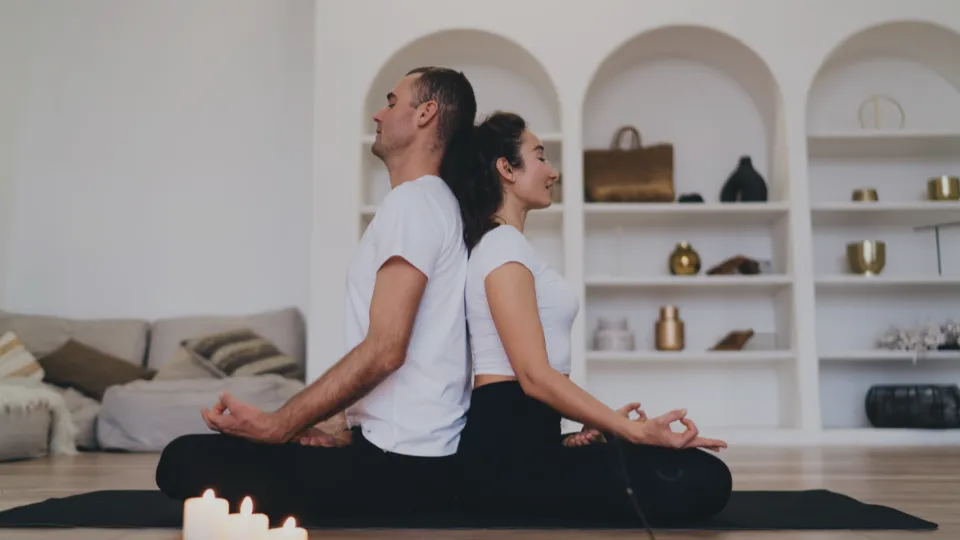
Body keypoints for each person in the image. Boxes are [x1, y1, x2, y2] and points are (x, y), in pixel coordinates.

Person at [154, 66, 478, 522]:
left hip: (402, 470)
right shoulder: (433, 202)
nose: (378, 114)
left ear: (426, 114)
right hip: (410, 458)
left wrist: (279, 424)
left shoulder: (413, 203)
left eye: (390, 101)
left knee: (182, 459)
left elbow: (386, 350)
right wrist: (333, 424)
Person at [454, 111, 734, 527]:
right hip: (504, 458)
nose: (553, 171)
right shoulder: (502, 248)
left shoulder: (507, 247)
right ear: (506, 169)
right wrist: (630, 430)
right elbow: (532, 376)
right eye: (540, 157)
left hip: (527, 440)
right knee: (702, 478)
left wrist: (582, 432)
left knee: (699, 473)